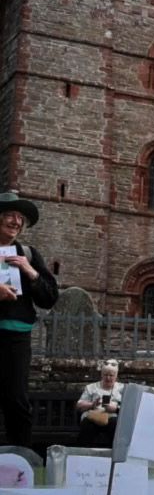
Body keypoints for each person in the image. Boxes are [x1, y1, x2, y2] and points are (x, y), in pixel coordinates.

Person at [0, 191, 59, 449]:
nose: (15, 221)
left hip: (17, 336)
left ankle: (20, 462)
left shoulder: (28, 253)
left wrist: (29, 271)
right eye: (10, 215)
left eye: (20, 217)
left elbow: (49, 297)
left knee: (17, 400)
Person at [76, 360, 124, 448]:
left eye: (111, 375)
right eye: (105, 375)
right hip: (94, 417)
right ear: (101, 375)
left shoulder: (122, 388)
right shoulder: (91, 387)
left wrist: (116, 409)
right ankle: (84, 454)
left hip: (112, 418)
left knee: (115, 424)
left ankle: (114, 455)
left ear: (116, 376)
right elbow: (79, 405)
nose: (108, 378)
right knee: (87, 424)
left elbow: (129, 408)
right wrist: (92, 404)